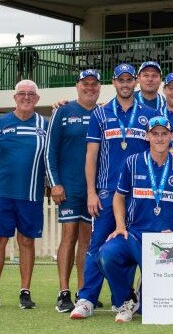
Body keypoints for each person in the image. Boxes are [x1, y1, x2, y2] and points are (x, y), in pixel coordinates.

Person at [70, 63, 157, 319]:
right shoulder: (101, 113)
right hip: (107, 192)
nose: (126, 84)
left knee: (128, 246)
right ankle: (86, 299)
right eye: (121, 80)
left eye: (130, 79)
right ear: (114, 83)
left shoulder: (149, 114)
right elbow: (91, 155)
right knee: (97, 245)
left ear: (136, 82)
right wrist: (91, 192)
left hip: (138, 195)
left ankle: (123, 301)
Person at [98, 116, 173, 323]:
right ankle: (127, 298)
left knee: (152, 310)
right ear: (147, 136)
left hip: (164, 241)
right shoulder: (133, 162)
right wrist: (119, 225)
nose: (160, 138)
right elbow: (118, 197)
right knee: (105, 255)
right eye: (155, 134)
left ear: (172, 137)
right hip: (134, 234)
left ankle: (143, 296)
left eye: (164, 134)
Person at [45, 69, 101, 313]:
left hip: (93, 190)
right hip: (68, 187)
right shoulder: (63, 111)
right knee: (69, 236)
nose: (90, 87)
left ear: (99, 87)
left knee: (87, 241)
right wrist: (55, 183)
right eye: (85, 83)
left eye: (94, 84)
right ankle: (63, 292)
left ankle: (83, 292)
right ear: (77, 86)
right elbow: (50, 151)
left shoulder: (103, 112)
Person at [0, 79, 48, 309]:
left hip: (31, 195)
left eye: (31, 94)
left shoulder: (45, 124)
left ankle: (25, 291)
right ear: (15, 97)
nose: (26, 97)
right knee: (0, 241)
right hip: (2, 194)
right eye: (22, 93)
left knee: (26, 241)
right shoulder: (2, 123)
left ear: (37, 99)